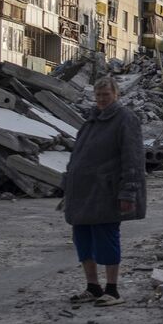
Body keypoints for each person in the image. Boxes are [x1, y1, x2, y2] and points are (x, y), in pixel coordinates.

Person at [62, 75, 146, 306]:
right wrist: (67, 183)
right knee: (83, 241)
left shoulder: (125, 119)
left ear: (115, 95)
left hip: (105, 192)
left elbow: (133, 159)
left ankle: (112, 290)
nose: (101, 99)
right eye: (98, 95)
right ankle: (93, 287)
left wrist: (128, 192)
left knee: (106, 239)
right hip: (82, 194)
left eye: (105, 95)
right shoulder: (91, 120)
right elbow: (78, 155)